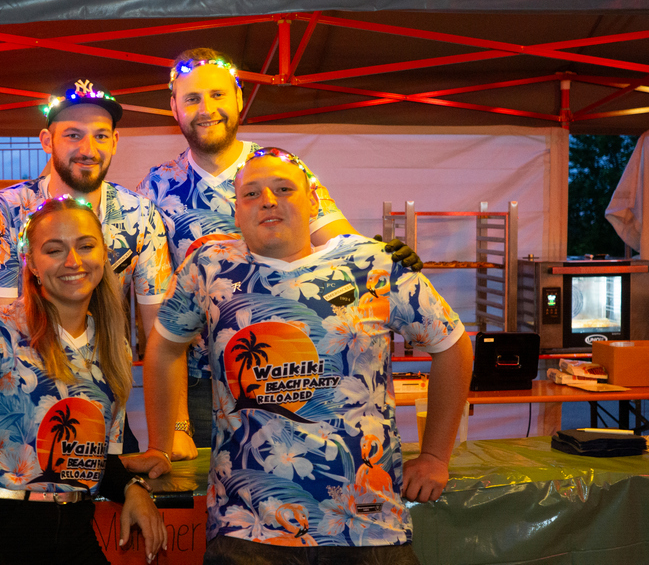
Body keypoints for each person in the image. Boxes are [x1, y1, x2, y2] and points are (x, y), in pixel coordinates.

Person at [140, 148, 471, 564]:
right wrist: (160, 444)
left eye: (283, 189)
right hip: (247, 528)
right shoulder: (208, 267)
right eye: (252, 193)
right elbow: (164, 347)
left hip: (368, 525)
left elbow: (453, 346)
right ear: (236, 212)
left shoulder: (373, 264)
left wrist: (436, 455)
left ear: (314, 202)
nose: (268, 201)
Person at [136, 48, 422, 452]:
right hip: (199, 383)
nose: (206, 109)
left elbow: (337, 240)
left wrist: (379, 255)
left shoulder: (277, 168)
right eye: (193, 98)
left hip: (287, 369)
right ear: (174, 108)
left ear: (239, 98)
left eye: (217, 95)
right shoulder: (156, 187)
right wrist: (177, 421)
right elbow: (154, 305)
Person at [0, 78, 195, 458]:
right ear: (47, 141)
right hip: (21, 411)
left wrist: (176, 428)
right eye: (73, 135)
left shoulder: (139, 215)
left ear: (115, 142)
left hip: (106, 407)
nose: (88, 149)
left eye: (100, 136)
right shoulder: (3, 213)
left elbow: (164, 336)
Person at [0, 196, 167, 565]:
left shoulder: (114, 347)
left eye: (86, 246)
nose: (73, 261)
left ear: (104, 254)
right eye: (54, 250)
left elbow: (95, 460)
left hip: (75, 535)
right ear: (31, 263)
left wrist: (131, 487)